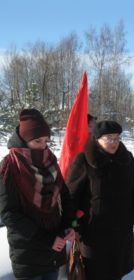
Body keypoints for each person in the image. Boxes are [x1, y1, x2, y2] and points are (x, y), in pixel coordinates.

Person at [66, 120, 134, 280]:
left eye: (117, 138)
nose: (114, 142)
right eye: (109, 138)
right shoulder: (84, 160)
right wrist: (72, 224)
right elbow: (71, 196)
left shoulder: (127, 158)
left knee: (116, 269)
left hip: (121, 228)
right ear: (97, 139)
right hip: (94, 230)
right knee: (95, 271)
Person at [0, 109, 75, 280]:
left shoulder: (50, 160)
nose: (43, 146)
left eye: (46, 141)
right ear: (24, 141)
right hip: (28, 252)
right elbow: (9, 214)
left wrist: (69, 225)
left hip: (54, 248)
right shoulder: (9, 167)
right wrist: (48, 240)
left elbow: (65, 195)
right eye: (37, 141)